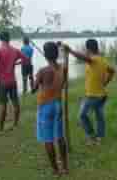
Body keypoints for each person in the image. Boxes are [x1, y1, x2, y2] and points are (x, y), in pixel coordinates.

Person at [65, 39, 115, 145]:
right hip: (101, 94)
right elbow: (112, 71)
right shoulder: (102, 60)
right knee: (99, 115)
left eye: (86, 49)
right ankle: (99, 137)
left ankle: (92, 136)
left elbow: (84, 58)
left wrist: (70, 51)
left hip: (94, 95)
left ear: (88, 49)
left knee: (82, 115)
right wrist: (106, 82)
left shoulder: (94, 59)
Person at [32, 41, 68, 176]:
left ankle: (55, 170)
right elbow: (62, 84)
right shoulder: (63, 68)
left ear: (46, 55)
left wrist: (34, 78)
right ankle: (64, 167)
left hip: (45, 106)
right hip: (58, 105)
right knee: (60, 136)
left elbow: (33, 89)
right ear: (56, 54)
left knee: (48, 139)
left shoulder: (43, 71)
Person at [0, 31, 29, 132]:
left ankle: (1, 128)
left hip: (2, 81)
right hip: (12, 81)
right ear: (9, 38)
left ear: (0, 39)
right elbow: (26, 59)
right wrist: (16, 63)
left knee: (3, 105)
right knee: (16, 103)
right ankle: (15, 124)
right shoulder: (15, 50)